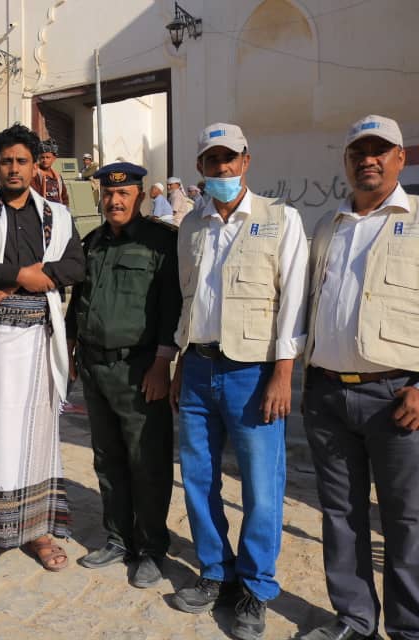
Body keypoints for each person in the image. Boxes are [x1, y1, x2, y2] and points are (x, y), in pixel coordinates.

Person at [168, 123, 308, 640]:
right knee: (199, 478)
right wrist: (180, 363)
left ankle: (255, 585)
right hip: (198, 368)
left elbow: (293, 301)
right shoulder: (191, 225)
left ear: (246, 161)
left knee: (262, 487)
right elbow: (188, 298)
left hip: (254, 372)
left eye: (230, 159)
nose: (222, 168)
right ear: (201, 168)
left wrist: (283, 373)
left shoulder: (280, 218)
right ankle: (215, 571)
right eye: (212, 161)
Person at [299, 115, 419, 640]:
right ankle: (354, 620)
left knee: (406, 520)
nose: (367, 160)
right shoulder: (329, 226)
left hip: (397, 397)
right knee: (341, 514)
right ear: (346, 160)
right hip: (327, 394)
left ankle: (410, 626)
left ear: (400, 158)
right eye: (357, 152)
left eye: (379, 150)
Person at [0, 123, 85, 571]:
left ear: (34, 167)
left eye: (21, 161)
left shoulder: (58, 217)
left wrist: (13, 282)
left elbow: (75, 266)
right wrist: (21, 275)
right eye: (6, 161)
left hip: (40, 340)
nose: (14, 168)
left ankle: (38, 529)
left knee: (38, 433)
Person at [67, 162, 180, 588]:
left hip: (140, 369)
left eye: (124, 194)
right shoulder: (93, 242)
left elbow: (171, 306)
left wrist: (162, 364)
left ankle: (151, 547)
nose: (115, 201)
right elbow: (79, 300)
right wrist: (71, 347)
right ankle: (118, 537)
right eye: (109, 194)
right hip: (95, 366)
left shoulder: (160, 242)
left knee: (147, 461)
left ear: (140, 196)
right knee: (108, 457)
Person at [31, 139, 69, 206]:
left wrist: (65, 209)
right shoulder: (35, 174)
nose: (44, 160)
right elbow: (33, 196)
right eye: (42, 157)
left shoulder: (58, 177)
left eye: (48, 157)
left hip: (58, 210)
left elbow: (64, 196)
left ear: (54, 159)